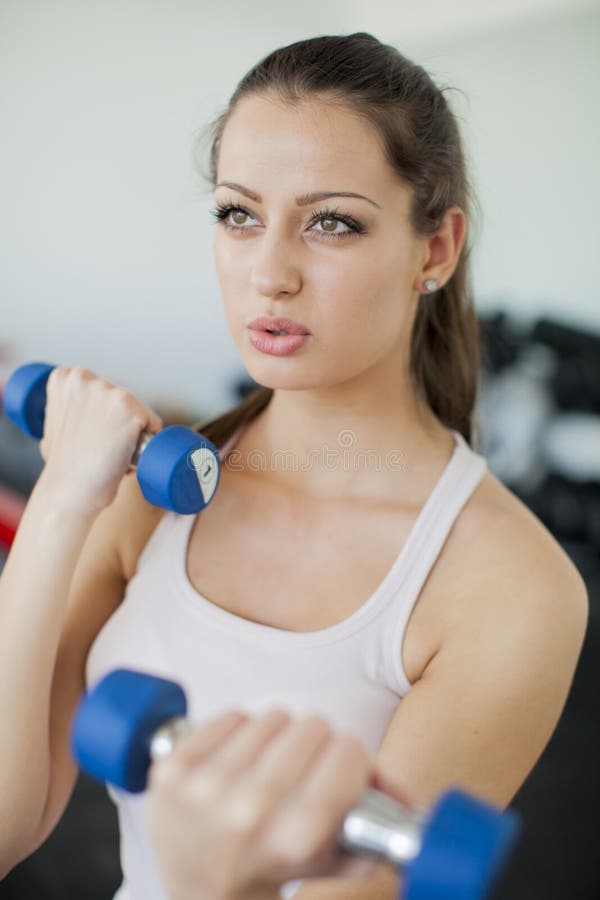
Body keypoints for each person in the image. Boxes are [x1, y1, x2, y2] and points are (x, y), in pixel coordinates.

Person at [0, 30, 588, 900]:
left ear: (435, 248)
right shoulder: (149, 495)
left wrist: (209, 880)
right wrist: (59, 504)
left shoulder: (511, 589)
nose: (269, 273)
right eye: (239, 214)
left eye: (332, 223)